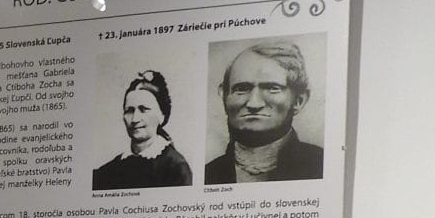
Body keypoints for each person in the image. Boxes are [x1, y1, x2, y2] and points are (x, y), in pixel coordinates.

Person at [204, 40, 323, 183]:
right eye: (241, 89)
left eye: (272, 88)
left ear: (299, 100)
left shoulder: (320, 165)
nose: (254, 104)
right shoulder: (208, 174)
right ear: (224, 96)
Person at [92, 69, 192, 189]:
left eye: (144, 109)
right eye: (129, 111)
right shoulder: (106, 172)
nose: (135, 119)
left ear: (162, 115)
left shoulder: (176, 168)